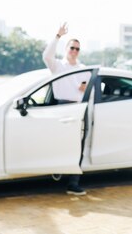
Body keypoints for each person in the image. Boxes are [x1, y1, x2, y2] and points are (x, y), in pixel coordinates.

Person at [42, 22, 89, 196]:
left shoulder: (84, 69)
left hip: (78, 108)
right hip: (61, 107)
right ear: (66, 48)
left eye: (77, 49)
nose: (74, 51)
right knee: (59, 142)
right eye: (72, 48)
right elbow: (46, 56)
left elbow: (87, 87)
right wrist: (57, 36)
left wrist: (86, 87)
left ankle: (73, 183)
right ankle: (58, 169)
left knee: (77, 146)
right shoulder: (58, 67)